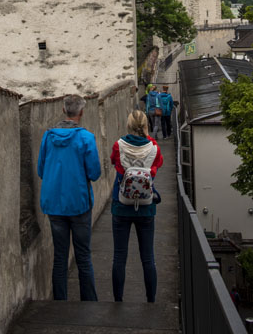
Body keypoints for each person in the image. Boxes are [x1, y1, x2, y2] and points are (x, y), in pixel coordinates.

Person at [37, 94, 101, 301]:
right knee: (83, 256)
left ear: (64, 110)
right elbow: (94, 173)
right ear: (81, 112)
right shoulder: (86, 138)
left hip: (54, 204)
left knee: (60, 257)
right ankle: (89, 302)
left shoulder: (48, 136)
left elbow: (41, 170)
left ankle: (60, 303)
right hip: (79, 203)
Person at [110, 110, 163, 303]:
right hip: (146, 205)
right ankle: (151, 299)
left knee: (119, 257)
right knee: (148, 258)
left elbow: (114, 162)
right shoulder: (154, 147)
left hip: (121, 204)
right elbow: (158, 165)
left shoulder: (119, 145)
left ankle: (118, 299)